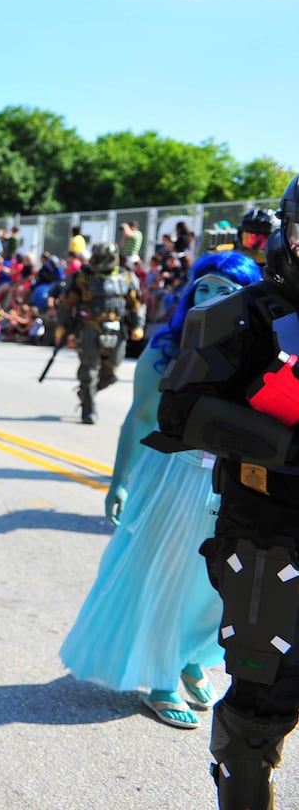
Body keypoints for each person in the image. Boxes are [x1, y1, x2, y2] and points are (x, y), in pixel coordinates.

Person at [60, 251, 261, 731]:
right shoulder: (167, 347)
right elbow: (141, 418)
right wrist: (119, 482)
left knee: (216, 587)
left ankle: (190, 656)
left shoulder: (260, 349)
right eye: (204, 288)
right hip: (173, 475)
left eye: (225, 290)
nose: (210, 299)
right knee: (169, 580)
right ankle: (162, 677)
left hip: (231, 483)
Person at [150, 174, 299, 810]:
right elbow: (181, 413)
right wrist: (286, 443)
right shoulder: (250, 315)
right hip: (272, 535)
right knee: (261, 704)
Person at [57, 241, 145, 424]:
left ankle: (86, 393)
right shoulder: (82, 278)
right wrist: (62, 326)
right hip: (89, 326)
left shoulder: (127, 278)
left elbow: (136, 304)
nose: (96, 261)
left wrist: (138, 325)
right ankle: (88, 409)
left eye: (100, 258)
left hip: (116, 328)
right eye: (95, 257)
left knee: (111, 373)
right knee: (89, 370)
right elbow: (67, 304)